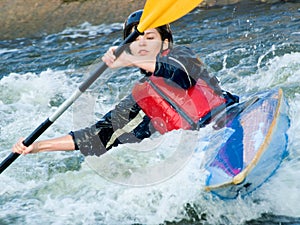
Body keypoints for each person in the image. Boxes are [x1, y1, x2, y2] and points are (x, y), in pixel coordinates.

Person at [12, 10, 238, 156]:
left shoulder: (181, 56)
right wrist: (38, 146)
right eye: (136, 40)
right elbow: (99, 136)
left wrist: (129, 60)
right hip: (200, 145)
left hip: (229, 118)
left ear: (165, 42)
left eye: (150, 38)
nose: (143, 44)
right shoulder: (141, 94)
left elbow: (181, 77)